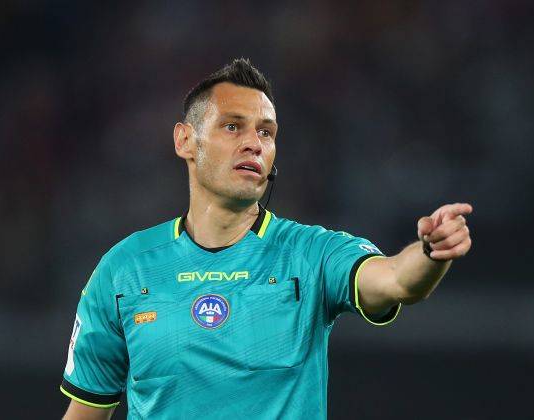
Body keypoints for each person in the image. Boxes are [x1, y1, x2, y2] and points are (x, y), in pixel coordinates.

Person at [60, 58, 473, 419]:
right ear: (185, 140)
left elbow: (397, 279)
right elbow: (86, 413)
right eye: (232, 126)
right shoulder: (124, 270)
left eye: (266, 133)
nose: (253, 144)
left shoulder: (312, 254)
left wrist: (430, 251)